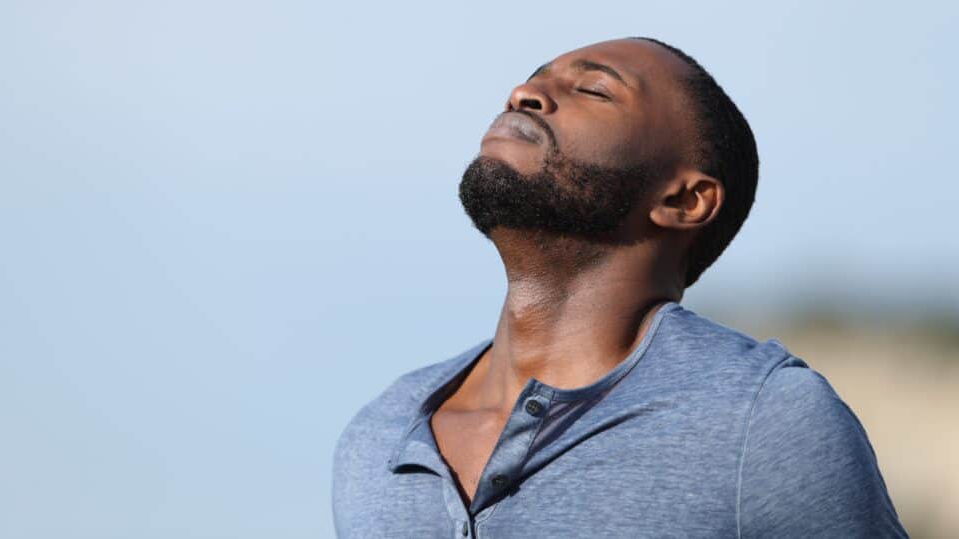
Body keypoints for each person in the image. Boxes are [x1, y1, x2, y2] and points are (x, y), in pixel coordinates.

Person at [330, 37, 908, 538]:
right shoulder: (379, 439)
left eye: (594, 91)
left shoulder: (764, 421)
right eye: (532, 80)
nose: (523, 96)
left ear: (683, 200)